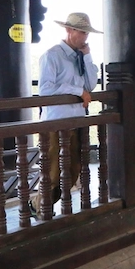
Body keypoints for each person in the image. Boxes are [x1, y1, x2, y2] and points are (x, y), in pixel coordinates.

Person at [33, 12, 101, 216]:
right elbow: (45, 89)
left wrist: (87, 56)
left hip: (77, 120)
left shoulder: (80, 56)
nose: (85, 37)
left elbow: (90, 85)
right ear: (69, 30)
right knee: (54, 173)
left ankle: (41, 206)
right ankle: (39, 207)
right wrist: (76, 91)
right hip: (56, 123)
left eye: (87, 33)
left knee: (73, 171)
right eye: (82, 32)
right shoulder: (52, 55)